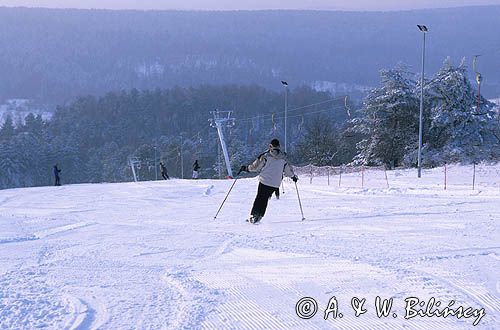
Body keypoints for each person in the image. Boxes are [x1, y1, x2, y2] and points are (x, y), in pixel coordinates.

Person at [239, 138, 298, 224]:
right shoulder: (284, 158)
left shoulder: (266, 156)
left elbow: (256, 167)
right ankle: (259, 216)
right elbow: (288, 171)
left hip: (264, 181)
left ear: (270, 146)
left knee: (259, 197)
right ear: (279, 146)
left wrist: (246, 168)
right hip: (275, 184)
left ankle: (254, 216)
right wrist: (293, 177)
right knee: (265, 198)